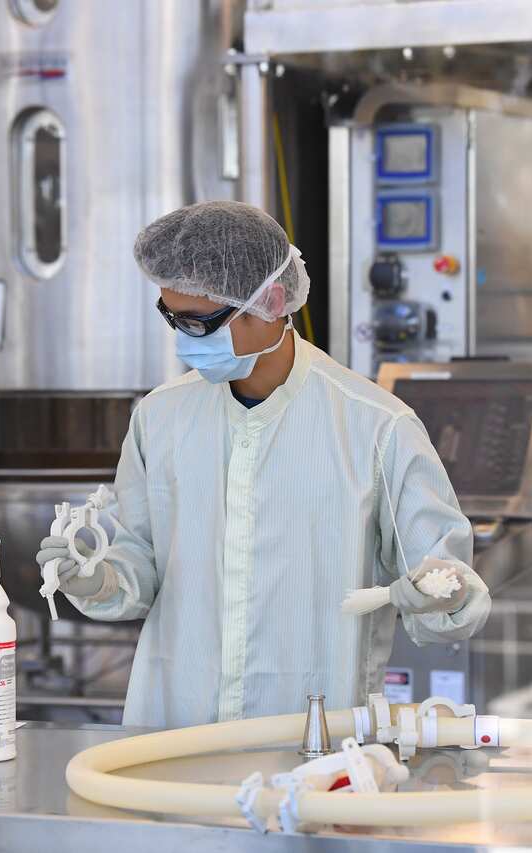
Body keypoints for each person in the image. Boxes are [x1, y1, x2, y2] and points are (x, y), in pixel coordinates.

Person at [36, 200, 490, 729]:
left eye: (197, 322)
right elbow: (140, 568)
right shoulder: (160, 418)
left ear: (271, 301)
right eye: (170, 317)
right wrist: (97, 577)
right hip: (173, 736)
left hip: (315, 741)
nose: (183, 339)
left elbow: (444, 593)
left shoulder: (374, 427)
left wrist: (447, 593)